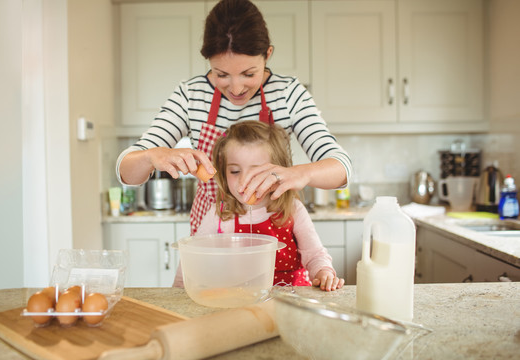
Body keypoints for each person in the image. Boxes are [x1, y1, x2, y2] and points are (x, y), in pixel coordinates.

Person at [116, 0, 352, 236]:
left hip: (272, 237)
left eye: (248, 73)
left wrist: (302, 173)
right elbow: (127, 172)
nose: (236, 88)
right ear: (208, 61)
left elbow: (341, 167)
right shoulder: (191, 95)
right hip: (212, 238)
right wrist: (151, 156)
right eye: (222, 74)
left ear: (267, 54)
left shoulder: (288, 93)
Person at [173, 121, 345, 291]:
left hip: (292, 301)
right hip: (238, 302)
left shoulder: (293, 209)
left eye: (257, 171)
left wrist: (323, 273)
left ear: (279, 171)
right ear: (224, 173)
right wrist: (179, 290)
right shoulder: (219, 214)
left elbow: (314, 255)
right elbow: (191, 259)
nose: (244, 180)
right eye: (235, 171)